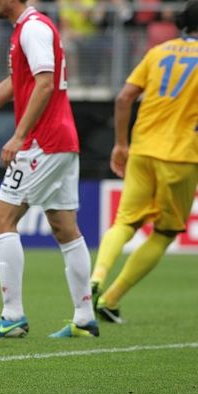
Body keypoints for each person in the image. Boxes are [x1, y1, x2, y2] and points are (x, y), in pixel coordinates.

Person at [0, 0, 98, 339]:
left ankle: (12, 316)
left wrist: (19, 135)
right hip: (61, 140)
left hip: (43, 142)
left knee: (1, 220)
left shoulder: (32, 28)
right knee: (64, 227)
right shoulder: (29, 27)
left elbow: (45, 83)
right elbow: (15, 83)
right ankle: (84, 318)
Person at [90, 0, 198, 324]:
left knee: (124, 221)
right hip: (181, 156)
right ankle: (111, 297)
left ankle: (95, 278)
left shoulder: (159, 51)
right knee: (165, 232)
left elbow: (124, 97)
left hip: (142, 149)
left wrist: (121, 144)